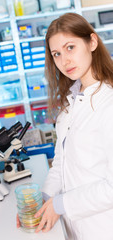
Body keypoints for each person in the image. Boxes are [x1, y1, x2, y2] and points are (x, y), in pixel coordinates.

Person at [17, 12, 113, 240]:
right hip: (73, 226)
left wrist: (60, 204)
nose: (64, 60)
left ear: (92, 42)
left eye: (70, 48)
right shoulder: (72, 100)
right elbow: (62, 162)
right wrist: (44, 198)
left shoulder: (108, 104)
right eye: (56, 54)